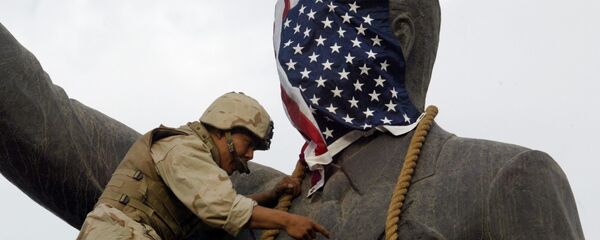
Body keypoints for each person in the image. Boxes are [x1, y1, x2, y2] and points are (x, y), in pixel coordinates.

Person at [77, 92, 329, 240]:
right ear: (224, 130)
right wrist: (286, 221)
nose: (251, 155)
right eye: (249, 143)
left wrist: (270, 196)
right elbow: (220, 207)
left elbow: (212, 212)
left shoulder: (195, 160)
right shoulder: (182, 147)